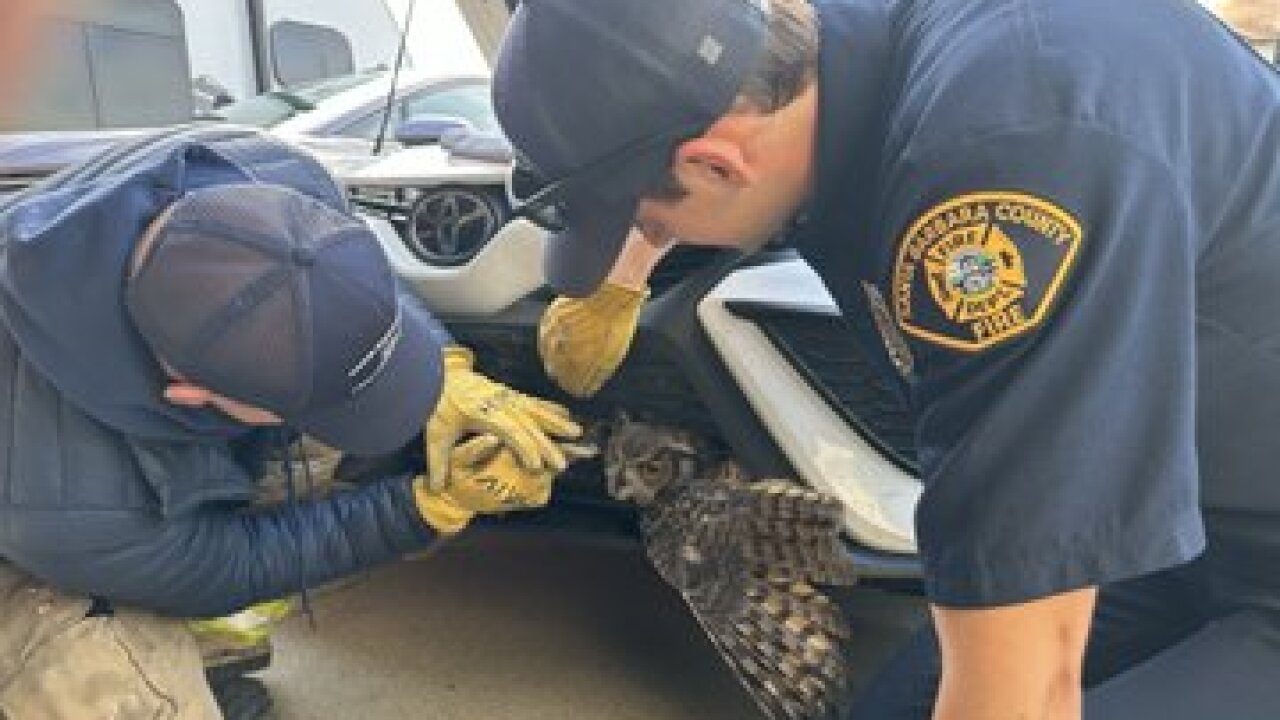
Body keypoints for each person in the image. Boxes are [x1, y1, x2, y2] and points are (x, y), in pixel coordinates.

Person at [492, 0, 1280, 717]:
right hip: (1172, 512)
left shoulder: (1002, 161)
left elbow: (1027, 687)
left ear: (717, 163)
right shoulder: (845, 70)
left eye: (653, 223)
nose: (655, 244)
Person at [0, 128, 584, 719]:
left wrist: (444, 367)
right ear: (190, 393)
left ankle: (219, 658)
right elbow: (220, 565)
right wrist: (418, 510)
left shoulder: (263, 170)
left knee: (300, 445)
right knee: (104, 687)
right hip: (23, 526)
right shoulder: (74, 507)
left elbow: (336, 277)